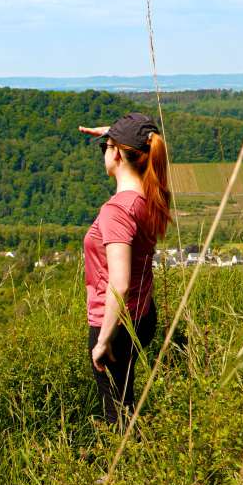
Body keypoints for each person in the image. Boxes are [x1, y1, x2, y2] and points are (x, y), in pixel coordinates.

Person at [78, 113, 172, 428]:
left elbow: (119, 284)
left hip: (117, 322)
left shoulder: (116, 211)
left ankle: (119, 474)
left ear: (118, 153)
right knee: (125, 399)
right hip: (144, 315)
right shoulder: (152, 196)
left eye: (105, 147)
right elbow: (149, 149)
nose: (103, 151)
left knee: (115, 412)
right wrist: (116, 135)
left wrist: (102, 341)